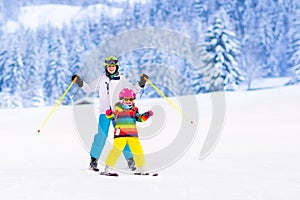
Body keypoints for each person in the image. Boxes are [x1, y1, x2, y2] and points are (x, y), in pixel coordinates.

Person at [72, 56, 149, 171]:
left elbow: (132, 91)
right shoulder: (101, 79)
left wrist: (141, 83)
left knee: (123, 136)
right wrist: (79, 82)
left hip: (119, 114)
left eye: (113, 66)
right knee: (101, 136)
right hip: (104, 112)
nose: (111, 68)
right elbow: (89, 88)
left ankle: (131, 161)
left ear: (116, 67)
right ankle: (93, 161)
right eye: (109, 66)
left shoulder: (121, 79)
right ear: (106, 67)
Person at [101, 88, 153, 176]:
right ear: (122, 99)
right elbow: (110, 117)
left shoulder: (134, 110)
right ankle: (108, 168)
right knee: (116, 151)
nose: (128, 101)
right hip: (120, 135)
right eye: (126, 99)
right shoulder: (117, 109)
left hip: (132, 135)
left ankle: (141, 168)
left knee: (138, 151)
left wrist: (147, 114)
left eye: (131, 99)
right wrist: (108, 113)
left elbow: (140, 118)